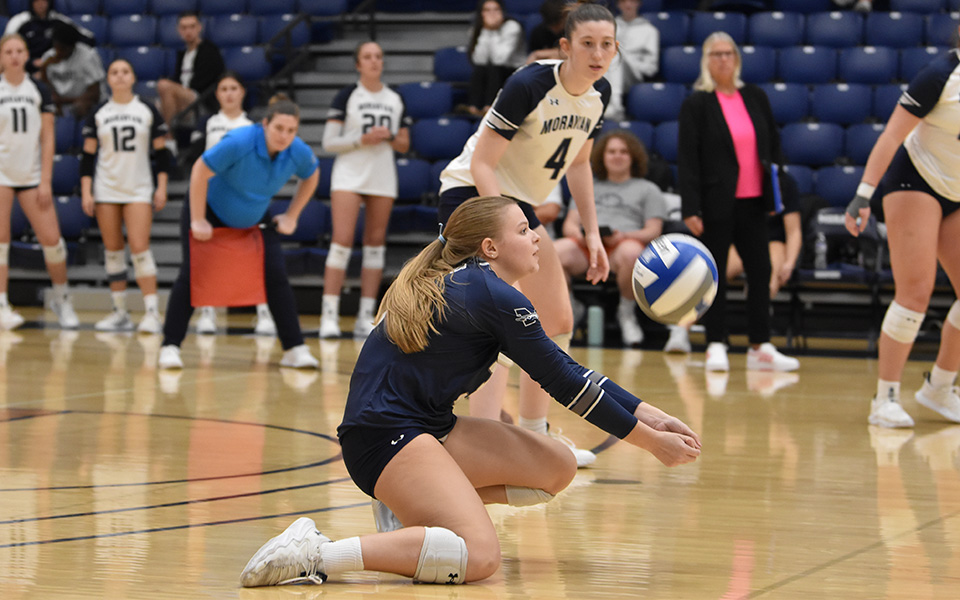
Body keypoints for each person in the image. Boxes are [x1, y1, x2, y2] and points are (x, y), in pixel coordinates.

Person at [238, 195, 701, 588]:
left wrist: (650, 416)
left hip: (424, 428)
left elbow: (567, 369)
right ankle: (318, 553)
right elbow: (564, 383)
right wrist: (649, 442)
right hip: (384, 439)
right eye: (524, 230)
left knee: (557, 465)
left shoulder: (478, 286)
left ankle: (414, 515)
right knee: (480, 558)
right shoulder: (490, 294)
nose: (537, 236)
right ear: (490, 247)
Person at [438, 0, 617, 467]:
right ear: (565, 46)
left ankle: (538, 438)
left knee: (556, 319)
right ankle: (485, 444)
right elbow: (481, 163)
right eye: (587, 43)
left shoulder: (600, 95)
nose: (597, 53)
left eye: (606, 44)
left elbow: (578, 163)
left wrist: (592, 233)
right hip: (472, 196)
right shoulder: (530, 83)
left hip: (518, 207)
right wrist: (504, 225)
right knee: (494, 325)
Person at [844, 35, 960, 428]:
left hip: (957, 189)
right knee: (915, 291)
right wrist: (862, 196)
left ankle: (939, 388)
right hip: (915, 181)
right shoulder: (940, 75)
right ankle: (886, 397)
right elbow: (892, 135)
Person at [158, 94, 320, 370]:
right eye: (279, 128)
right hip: (207, 210)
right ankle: (170, 346)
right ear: (265, 124)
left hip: (254, 217)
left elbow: (312, 174)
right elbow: (199, 171)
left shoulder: (297, 150)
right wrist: (198, 220)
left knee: (276, 277)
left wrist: (292, 215)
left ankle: (294, 348)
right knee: (193, 275)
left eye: (291, 130)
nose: (285, 135)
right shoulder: (240, 142)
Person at [678, 32, 799, 372]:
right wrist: (691, 207)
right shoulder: (697, 103)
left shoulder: (755, 96)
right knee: (713, 275)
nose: (723, 60)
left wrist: (776, 191)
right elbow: (688, 159)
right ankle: (716, 342)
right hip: (715, 203)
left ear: (737, 59)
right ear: (706, 60)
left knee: (760, 271)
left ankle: (760, 345)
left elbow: (772, 147)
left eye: (728, 53)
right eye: (716, 54)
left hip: (754, 201)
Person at [320, 41, 411, 340]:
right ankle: (329, 315)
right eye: (367, 57)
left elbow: (405, 144)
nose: (374, 61)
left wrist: (388, 137)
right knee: (342, 241)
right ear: (357, 64)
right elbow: (329, 142)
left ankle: (366, 316)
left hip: (382, 174)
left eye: (378, 57)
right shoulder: (348, 95)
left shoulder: (395, 97)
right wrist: (362, 139)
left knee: (374, 244)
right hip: (349, 173)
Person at [663, 170, 802, 354]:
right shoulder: (728, 177)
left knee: (768, 272)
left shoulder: (782, 181)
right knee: (711, 277)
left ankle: (759, 334)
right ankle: (682, 328)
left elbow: (794, 230)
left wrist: (790, 263)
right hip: (739, 241)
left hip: (774, 242)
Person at [555, 130, 666, 347]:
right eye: (612, 151)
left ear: (633, 156)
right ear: (602, 156)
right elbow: (569, 224)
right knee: (553, 253)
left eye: (623, 152)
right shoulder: (588, 184)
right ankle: (570, 307)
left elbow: (654, 230)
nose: (617, 156)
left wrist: (624, 236)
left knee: (634, 253)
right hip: (587, 245)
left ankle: (626, 313)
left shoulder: (648, 189)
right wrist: (580, 235)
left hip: (623, 245)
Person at [81, 58, 168, 334]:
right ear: (108, 79)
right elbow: (87, 156)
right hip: (106, 188)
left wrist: (161, 186)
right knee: (114, 253)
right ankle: (120, 312)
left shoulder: (147, 109)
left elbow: (163, 153)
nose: (119, 76)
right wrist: (86, 190)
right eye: (114, 72)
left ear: (133, 77)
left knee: (140, 248)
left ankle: (153, 312)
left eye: (125, 72)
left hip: (138, 188)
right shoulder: (99, 112)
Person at [0, 33, 79, 330]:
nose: (15, 56)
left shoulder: (39, 90)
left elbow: (48, 138)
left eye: (19, 50)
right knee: (1, 242)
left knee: (52, 241)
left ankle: (62, 299)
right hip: (2, 173)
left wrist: (46, 180)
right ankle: (2, 304)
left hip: (32, 175)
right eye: (8, 51)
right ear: (1, 57)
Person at [189, 72, 277, 337]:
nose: (228, 93)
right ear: (217, 94)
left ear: (242, 93)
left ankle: (262, 311)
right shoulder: (207, 123)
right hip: (213, 196)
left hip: (244, 195)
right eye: (223, 88)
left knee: (253, 255)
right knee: (209, 256)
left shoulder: (253, 127)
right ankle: (208, 310)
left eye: (233, 88)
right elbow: (198, 162)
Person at [156, 11, 225, 153]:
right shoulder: (183, 54)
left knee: (163, 85)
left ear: (199, 27)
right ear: (179, 30)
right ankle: (159, 148)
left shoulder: (209, 51)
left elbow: (204, 84)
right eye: (184, 27)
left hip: (203, 101)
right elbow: (178, 81)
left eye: (192, 26)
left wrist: (176, 91)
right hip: (185, 100)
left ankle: (170, 138)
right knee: (154, 104)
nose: (188, 31)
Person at [463, 0, 525, 117]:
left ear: (502, 11)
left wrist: (493, 30)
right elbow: (479, 60)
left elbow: (499, 59)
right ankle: (474, 107)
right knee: (480, 69)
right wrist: (487, 30)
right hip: (489, 70)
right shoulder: (476, 29)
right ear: (481, 13)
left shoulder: (512, 27)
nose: (492, 14)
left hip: (512, 70)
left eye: (496, 9)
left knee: (493, 68)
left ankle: (490, 106)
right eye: (487, 10)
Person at [3, 0, 95, 72]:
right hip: (27, 69)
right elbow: (6, 48)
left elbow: (88, 38)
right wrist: (31, 63)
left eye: (44, 1)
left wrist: (58, 60)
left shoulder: (58, 20)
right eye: (37, 1)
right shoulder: (19, 21)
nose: (40, 4)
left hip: (57, 68)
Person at [604, 0, 659, 121]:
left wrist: (629, 59)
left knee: (616, 55)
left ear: (638, 3)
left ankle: (615, 106)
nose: (628, 5)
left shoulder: (649, 30)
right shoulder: (609, 27)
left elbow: (651, 68)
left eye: (632, 1)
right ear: (618, 5)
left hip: (634, 74)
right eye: (623, 1)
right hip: (605, 69)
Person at [37, 21, 103, 119]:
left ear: (71, 47)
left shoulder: (87, 56)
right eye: (56, 46)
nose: (58, 51)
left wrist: (66, 101)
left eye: (62, 48)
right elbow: (44, 86)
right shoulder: (49, 57)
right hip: (59, 102)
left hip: (81, 101)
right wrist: (44, 67)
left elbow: (95, 93)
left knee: (80, 107)